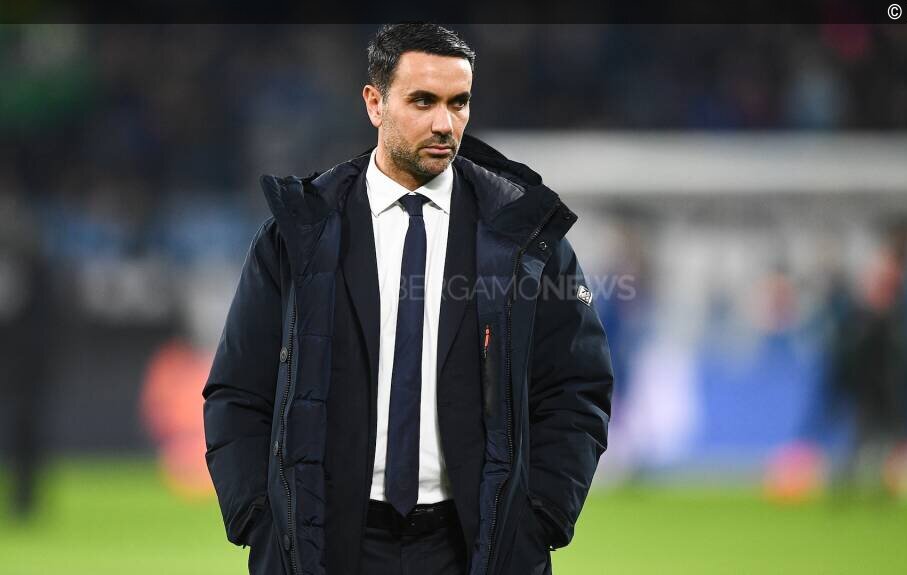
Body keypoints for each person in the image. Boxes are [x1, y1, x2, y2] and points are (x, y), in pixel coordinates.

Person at [203, 23, 613, 575]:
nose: (445, 123)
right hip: (328, 545)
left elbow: (575, 388)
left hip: (474, 548)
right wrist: (260, 518)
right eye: (423, 101)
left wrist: (540, 516)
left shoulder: (524, 238)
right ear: (375, 103)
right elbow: (238, 390)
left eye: (458, 102)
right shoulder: (298, 235)